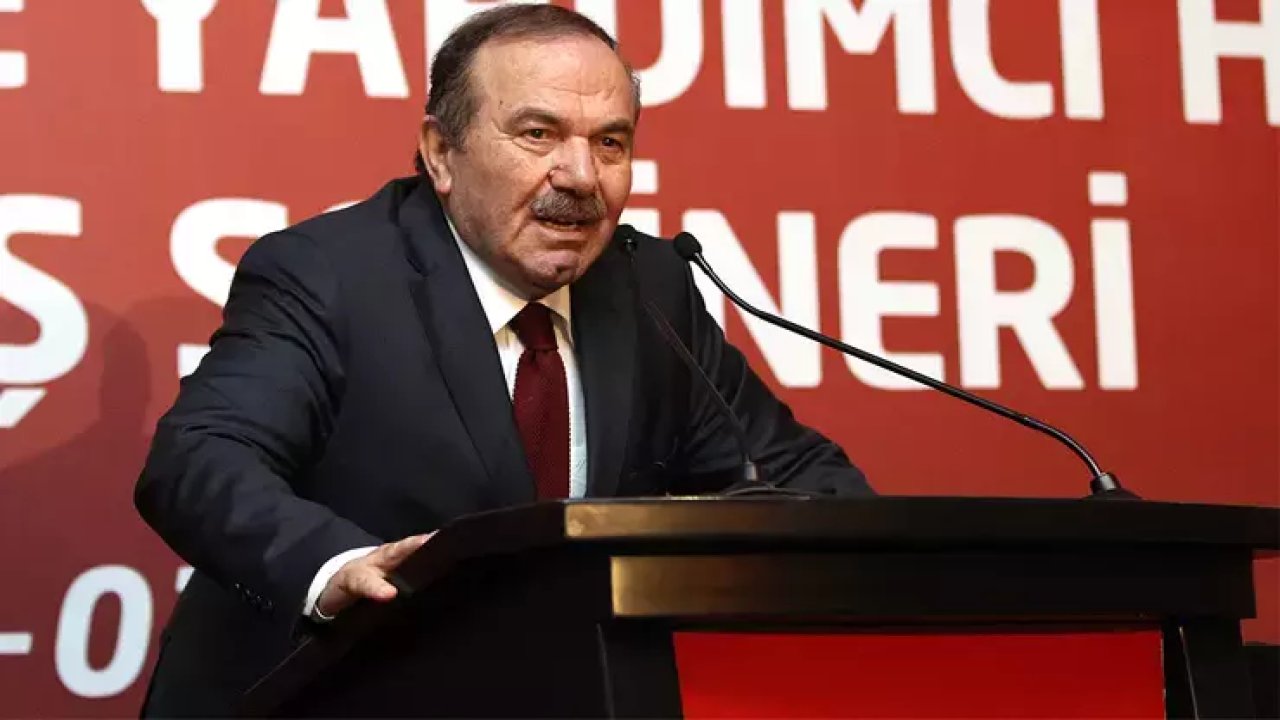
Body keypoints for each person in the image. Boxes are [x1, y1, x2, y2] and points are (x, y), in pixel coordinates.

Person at [134, 4, 871, 715]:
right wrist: (334, 566)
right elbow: (199, 461)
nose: (581, 176)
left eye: (610, 143)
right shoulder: (331, 275)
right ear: (441, 153)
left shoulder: (649, 287)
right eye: (538, 134)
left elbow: (796, 479)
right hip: (321, 692)